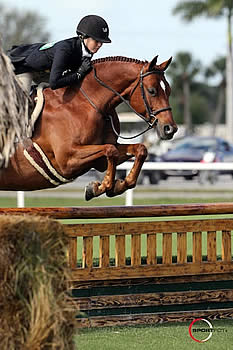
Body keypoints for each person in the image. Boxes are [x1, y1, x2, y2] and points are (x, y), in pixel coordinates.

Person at [8, 14, 111, 92]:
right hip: (24, 67)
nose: (99, 45)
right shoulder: (65, 49)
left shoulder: (86, 52)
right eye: (96, 41)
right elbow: (54, 83)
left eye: (101, 42)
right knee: (22, 104)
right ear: (83, 37)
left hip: (45, 72)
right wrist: (79, 73)